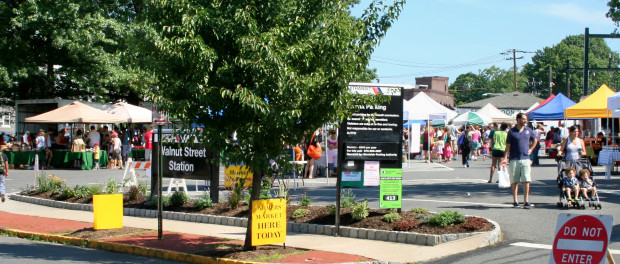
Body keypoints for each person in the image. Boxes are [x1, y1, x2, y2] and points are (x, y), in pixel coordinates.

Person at [503, 113, 537, 208]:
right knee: (514, 181)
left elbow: (535, 140)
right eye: (523, 119)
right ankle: (515, 201)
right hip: (514, 159)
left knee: (526, 180)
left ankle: (526, 201)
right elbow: (508, 146)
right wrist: (505, 158)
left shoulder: (528, 130)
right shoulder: (511, 131)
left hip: (525, 158)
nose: (525, 121)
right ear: (518, 119)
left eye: (525, 119)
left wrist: (531, 149)